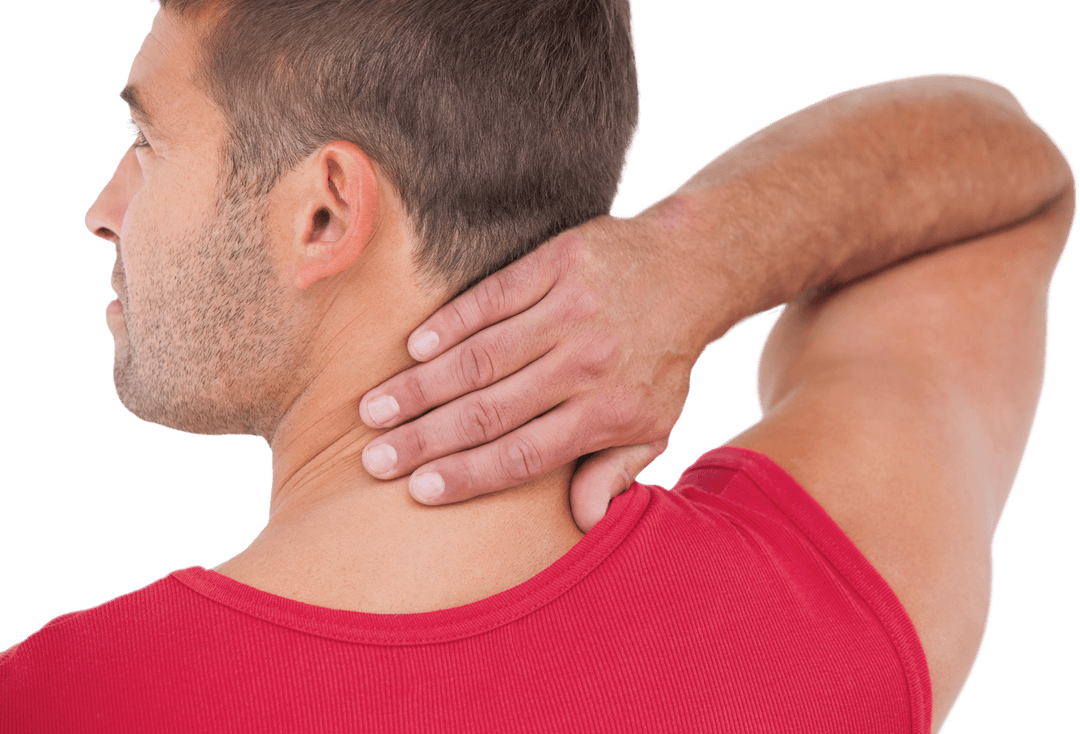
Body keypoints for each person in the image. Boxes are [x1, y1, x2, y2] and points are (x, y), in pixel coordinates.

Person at [0, 0, 1073, 732]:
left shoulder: (61, 700)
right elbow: (1011, 177)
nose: (105, 209)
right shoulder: (816, 614)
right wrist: (697, 259)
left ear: (324, 210)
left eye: (148, 140)